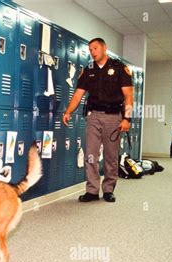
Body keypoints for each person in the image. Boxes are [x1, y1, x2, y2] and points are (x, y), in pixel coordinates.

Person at [62, 38, 134, 203]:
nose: (92, 52)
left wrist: (127, 118)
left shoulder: (119, 68)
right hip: (93, 116)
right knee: (90, 154)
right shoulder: (89, 70)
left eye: (95, 48)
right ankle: (92, 190)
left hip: (114, 117)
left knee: (111, 155)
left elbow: (129, 95)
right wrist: (68, 111)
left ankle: (108, 189)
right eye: (90, 50)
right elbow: (79, 94)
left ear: (104, 48)